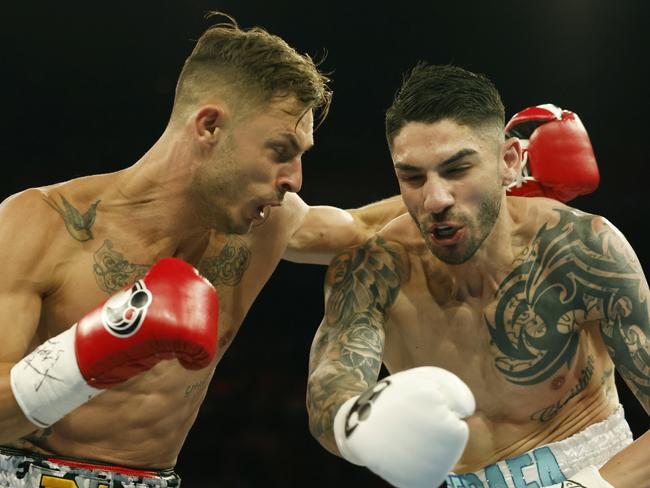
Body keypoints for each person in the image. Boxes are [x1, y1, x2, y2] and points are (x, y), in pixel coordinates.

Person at [0, 14, 405, 487]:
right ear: (209, 126)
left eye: (301, 156)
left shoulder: (267, 225)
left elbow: (362, 227)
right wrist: (100, 347)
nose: (294, 179)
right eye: (280, 150)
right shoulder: (42, 223)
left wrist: (488, 175)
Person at [306, 63, 649, 488]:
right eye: (412, 177)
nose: (435, 199)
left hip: (603, 473)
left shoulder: (578, 248)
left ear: (508, 162)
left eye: (456, 169)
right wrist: (356, 423)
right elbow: (328, 396)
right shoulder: (373, 270)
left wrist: (588, 486)